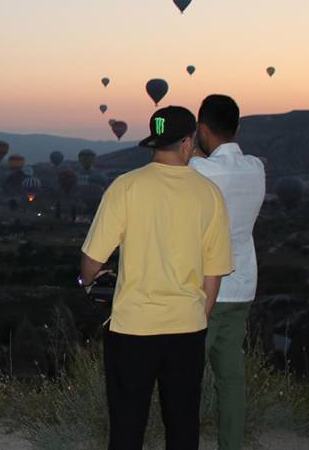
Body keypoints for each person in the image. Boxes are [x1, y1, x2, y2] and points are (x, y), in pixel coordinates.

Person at [80, 106, 233, 450]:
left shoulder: (125, 187)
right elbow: (214, 272)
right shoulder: (210, 194)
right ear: (188, 142)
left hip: (132, 328)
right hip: (186, 329)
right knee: (182, 424)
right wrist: (199, 317)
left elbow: (91, 260)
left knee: (127, 423)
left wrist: (89, 281)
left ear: (154, 142)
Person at [191, 95, 265, 450]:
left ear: (202, 129)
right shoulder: (256, 168)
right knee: (231, 377)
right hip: (243, 285)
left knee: (188, 376)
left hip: (206, 287)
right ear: (238, 127)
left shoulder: (199, 171)